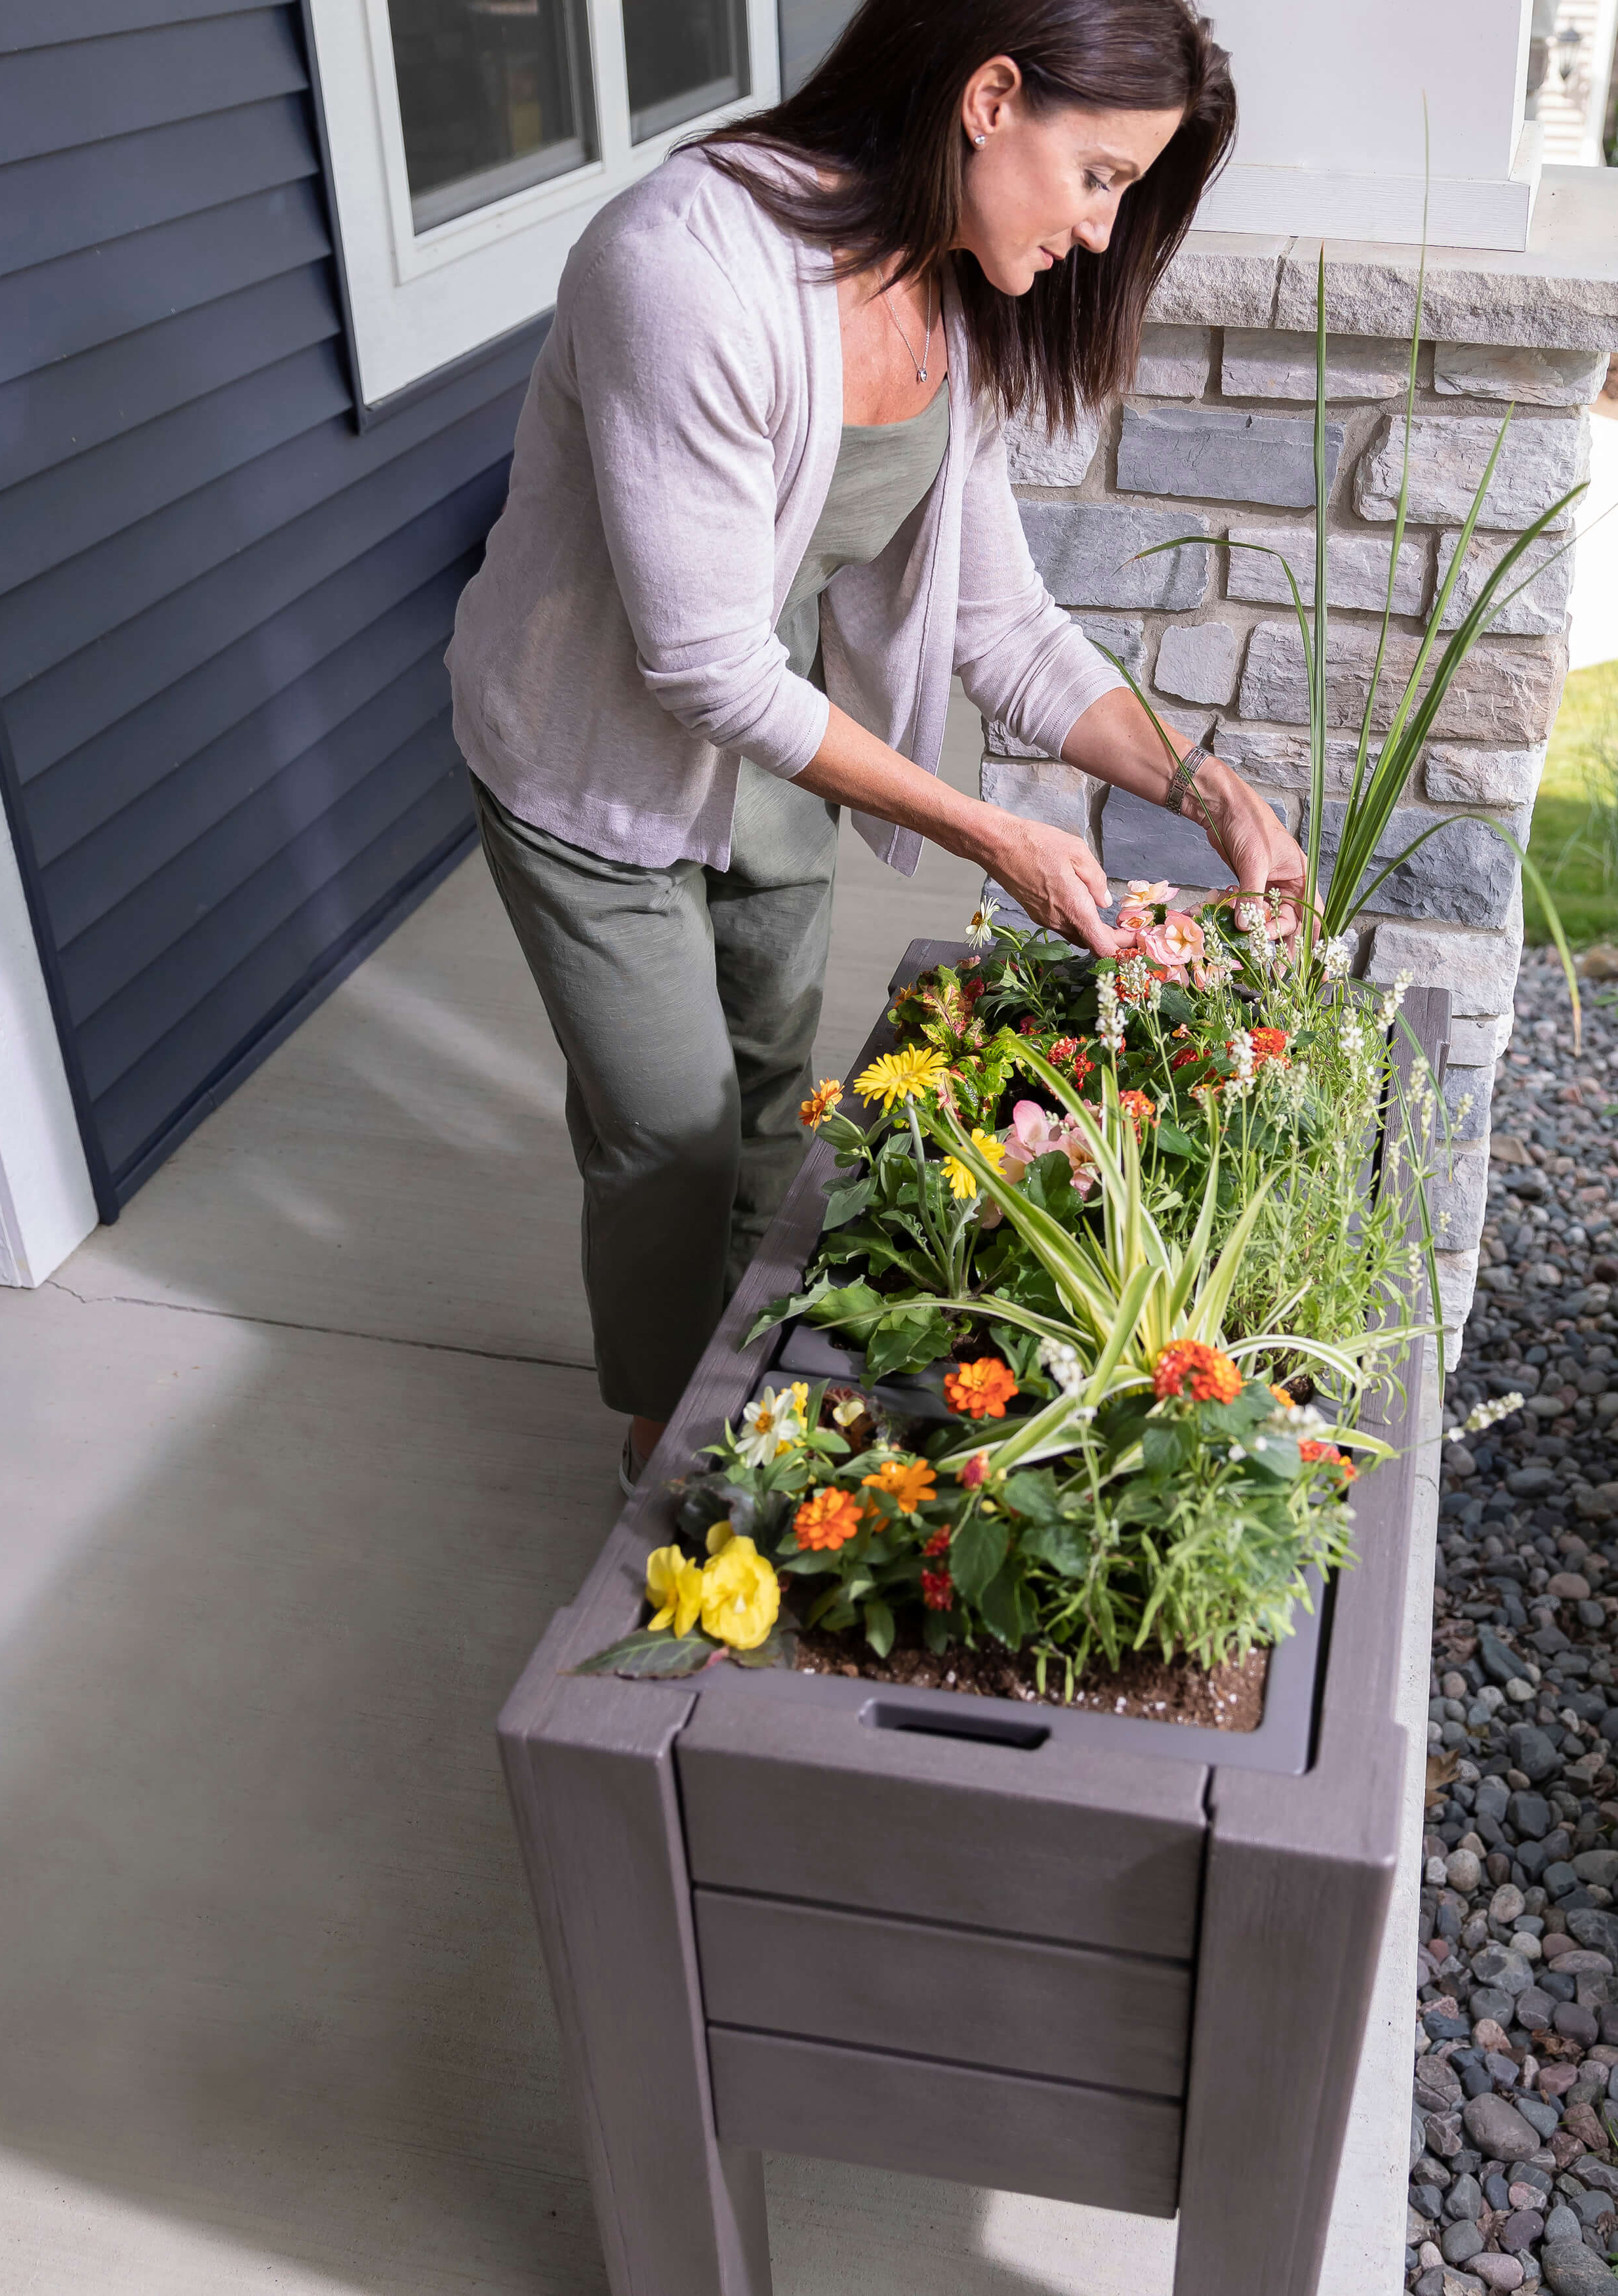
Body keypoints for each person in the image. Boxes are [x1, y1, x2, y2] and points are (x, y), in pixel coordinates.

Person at [447, 0, 1306, 1489]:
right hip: (591, 764)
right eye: (1099, 174)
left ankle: (757, 1397)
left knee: (777, 1100)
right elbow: (699, 659)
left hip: (779, 754)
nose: (1102, 231)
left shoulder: (949, 291)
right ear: (988, 98)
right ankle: (666, 1457)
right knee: (671, 1136)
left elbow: (1000, 621)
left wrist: (1197, 780)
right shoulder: (682, 266)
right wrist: (988, 831)